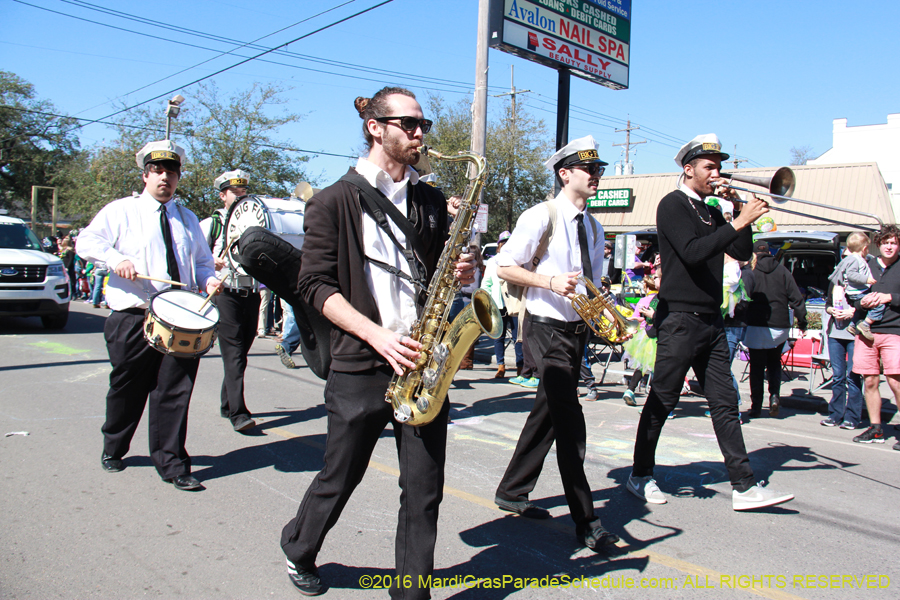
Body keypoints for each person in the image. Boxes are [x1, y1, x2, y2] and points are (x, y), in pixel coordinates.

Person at [279, 86, 475, 598]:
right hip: (362, 360)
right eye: (408, 124)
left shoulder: (430, 199)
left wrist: (460, 272)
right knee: (341, 476)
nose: (420, 134)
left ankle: (412, 591)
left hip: (423, 360)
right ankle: (299, 546)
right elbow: (314, 286)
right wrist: (378, 337)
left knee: (424, 487)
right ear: (375, 127)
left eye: (422, 125)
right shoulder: (331, 201)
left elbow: (432, 273)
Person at [625, 134, 794, 511]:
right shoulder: (673, 204)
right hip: (680, 317)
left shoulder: (713, 210)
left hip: (711, 319)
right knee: (664, 398)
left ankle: (744, 486)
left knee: (725, 402)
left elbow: (741, 251)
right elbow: (692, 251)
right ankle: (640, 474)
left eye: (718, 166)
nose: (717, 173)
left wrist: (739, 214)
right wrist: (737, 222)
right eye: (709, 167)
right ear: (689, 169)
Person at [493, 135, 619, 551]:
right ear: (565, 174)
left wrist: (612, 318)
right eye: (590, 170)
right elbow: (505, 267)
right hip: (545, 329)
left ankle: (512, 490)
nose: (597, 175)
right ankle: (587, 521)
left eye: (599, 169)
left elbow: (593, 286)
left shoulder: (596, 227)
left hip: (576, 331)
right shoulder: (541, 216)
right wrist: (548, 281)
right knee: (570, 423)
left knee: (547, 412)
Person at [76, 140, 223, 491]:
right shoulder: (121, 211)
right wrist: (117, 261)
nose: (164, 178)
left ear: (177, 178)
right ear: (145, 176)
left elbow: (201, 263)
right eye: (157, 171)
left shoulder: (187, 219)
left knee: (174, 391)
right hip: (133, 314)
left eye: (171, 173)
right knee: (127, 387)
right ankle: (114, 446)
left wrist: (210, 278)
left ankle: (172, 463)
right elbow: (87, 243)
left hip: (180, 319)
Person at [206, 169, 260, 432]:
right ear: (222, 196)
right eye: (234, 192)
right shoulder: (213, 223)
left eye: (243, 191)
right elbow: (195, 256)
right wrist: (210, 261)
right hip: (226, 293)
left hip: (251, 293)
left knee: (242, 351)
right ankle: (238, 413)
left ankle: (227, 402)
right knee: (234, 352)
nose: (240, 195)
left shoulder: (254, 222)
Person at [744, 240, 807, 419]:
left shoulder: (751, 271)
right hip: (779, 325)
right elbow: (796, 298)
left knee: (756, 367)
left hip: (755, 324)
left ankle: (756, 406)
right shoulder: (782, 271)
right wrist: (802, 322)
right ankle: (774, 397)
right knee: (774, 363)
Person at [851, 225, 900, 448]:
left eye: (894, 243)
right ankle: (876, 428)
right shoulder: (866, 265)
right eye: (886, 242)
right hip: (866, 332)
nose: (889, 247)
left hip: (894, 330)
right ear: (877, 244)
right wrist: (860, 302)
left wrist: (889, 297)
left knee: (895, 382)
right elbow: (850, 291)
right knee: (869, 380)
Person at [820, 277, 863, 430]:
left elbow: (866, 305)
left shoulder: (861, 282)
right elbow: (828, 304)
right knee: (838, 376)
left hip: (854, 334)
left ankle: (852, 417)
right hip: (835, 334)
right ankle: (835, 415)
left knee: (853, 376)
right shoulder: (835, 282)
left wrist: (852, 312)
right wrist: (831, 309)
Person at [482, 230, 524, 378]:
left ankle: (520, 367)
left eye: (508, 242)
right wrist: (487, 302)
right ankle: (501, 367)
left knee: (517, 336)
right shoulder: (493, 261)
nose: (506, 244)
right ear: (499, 245)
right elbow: (486, 283)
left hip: (514, 303)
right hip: (498, 303)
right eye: (503, 242)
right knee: (498, 337)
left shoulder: (517, 260)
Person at [829, 232, 882, 340]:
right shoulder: (855, 259)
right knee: (878, 304)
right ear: (865, 248)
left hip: (853, 292)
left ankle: (853, 325)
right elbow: (851, 274)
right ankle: (865, 324)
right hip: (857, 292)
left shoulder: (849, 259)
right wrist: (866, 279)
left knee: (858, 309)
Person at [622, 271, 661, 407]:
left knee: (649, 366)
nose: (654, 278)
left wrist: (652, 315)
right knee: (645, 364)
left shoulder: (663, 298)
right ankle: (631, 391)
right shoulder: (656, 297)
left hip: (658, 335)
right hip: (651, 334)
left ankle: (634, 391)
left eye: (656, 277)